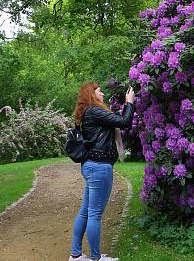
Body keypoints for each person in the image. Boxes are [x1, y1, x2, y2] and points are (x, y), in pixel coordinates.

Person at [69, 82, 135, 261]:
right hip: (99, 167)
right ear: (92, 94)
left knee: (86, 211)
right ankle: (96, 258)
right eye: (100, 91)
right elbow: (124, 122)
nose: (103, 93)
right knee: (95, 214)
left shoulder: (89, 112)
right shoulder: (95, 111)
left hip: (91, 166)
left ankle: (76, 255)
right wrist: (129, 102)